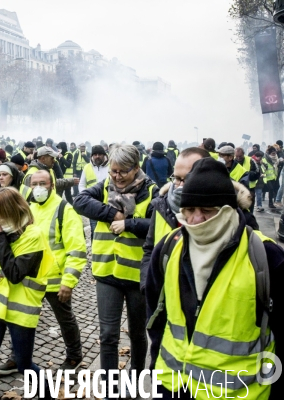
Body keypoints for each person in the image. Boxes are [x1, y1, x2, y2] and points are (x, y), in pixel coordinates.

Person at [146, 158, 284, 399]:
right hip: (173, 387)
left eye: (206, 211)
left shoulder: (266, 256)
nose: (196, 220)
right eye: (189, 210)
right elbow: (157, 317)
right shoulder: (168, 248)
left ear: (227, 210)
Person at [73, 144, 158, 395]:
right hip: (106, 271)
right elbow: (79, 201)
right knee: (108, 334)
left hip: (136, 275)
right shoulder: (104, 187)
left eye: (122, 172)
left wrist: (129, 223)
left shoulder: (151, 191)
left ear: (136, 168)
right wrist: (112, 213)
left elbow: (155, 224)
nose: (117, 177)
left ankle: (135, 380)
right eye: (113, 171)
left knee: (137, 334)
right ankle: (110, 388)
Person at [0, 187, 53, 400]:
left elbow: (14, 273)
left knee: (24, 365)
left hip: (20, 312)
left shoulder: (32, 235)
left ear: (12, 211)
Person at [29, 170, 86, 368]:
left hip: (56, 280)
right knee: (22, 319)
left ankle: (74, 356)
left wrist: (68, 282)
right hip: (32, 279)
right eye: (34, 183)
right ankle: (18, 355)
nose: (38, 188)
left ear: (52, 185)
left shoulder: (65, 210)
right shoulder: (30, 208)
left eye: (42, 183)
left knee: (65, 319)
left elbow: (77, 250)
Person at [140, 147, 210, 291]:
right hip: (165, 297)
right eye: (177, 179)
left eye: (189, 178)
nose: (181, 186)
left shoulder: (226, 210)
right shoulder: (161, 205)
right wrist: (148, 285)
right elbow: (149, 249)